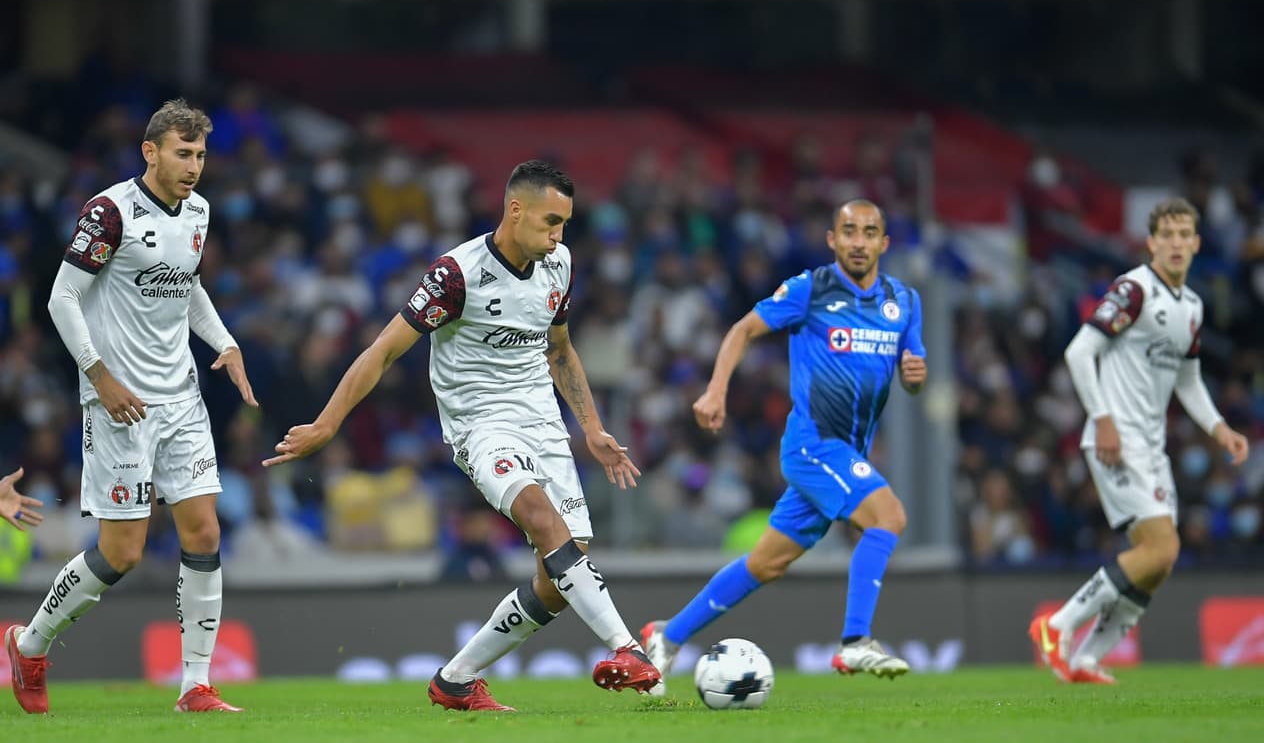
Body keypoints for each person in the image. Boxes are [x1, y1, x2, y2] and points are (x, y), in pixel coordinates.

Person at [264, 161, 660, 711]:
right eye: (550, 222)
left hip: (543, 422)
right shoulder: (457, 275)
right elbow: (382, 351)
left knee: (562, 574)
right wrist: (328, 423)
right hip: (480, 425)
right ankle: (628, 648)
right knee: (545, 522)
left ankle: (454, 680)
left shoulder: (559, 264)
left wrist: (590, 428)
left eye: (565, 224)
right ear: (514, 210)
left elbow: (561, 349)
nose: (558, 236)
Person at [5, 99, 258, 715]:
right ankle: (30, 643)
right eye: (182, 153)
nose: (194, 166)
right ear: (151, 152)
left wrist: (224, 343)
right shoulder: (110, 212)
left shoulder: (198, 211)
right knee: (122, 552)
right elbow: (62, 300)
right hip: (119, 404)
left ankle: (195, 684)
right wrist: (101, 376)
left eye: (199, 154)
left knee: (203, 530)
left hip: (182, 399)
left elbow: (187, 284)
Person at [641, 199, 927, 693]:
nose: (859, 241)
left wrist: (915, 376)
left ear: (884, 242)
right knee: (889, 518)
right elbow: (743, 330)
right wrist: (715, 389)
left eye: (869, 232)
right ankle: (856, 641)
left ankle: (667, 635)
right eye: (849, 231)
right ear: (832, 240)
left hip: (849, 454)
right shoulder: (810, 290)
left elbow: (914, 373)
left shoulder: (904, 302)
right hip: (814, 444)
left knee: (766, 562)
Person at [1029, 197, 1249, 685]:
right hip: (1116, 439)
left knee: (1155, 566)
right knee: (1161, 550)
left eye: (1183, 235)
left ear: (1195, 243)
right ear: (1151, 242)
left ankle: (1085, 659)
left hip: (1152, 447)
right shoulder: (1133, 290)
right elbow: (1079, 351)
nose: (1175, 243)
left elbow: (1188, 381)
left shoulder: (1191, 307)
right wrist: (1102, 419)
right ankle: (1056, 625)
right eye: (1165, 235)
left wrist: (1220, 430)